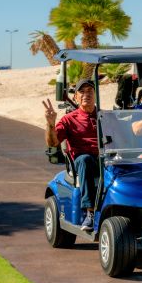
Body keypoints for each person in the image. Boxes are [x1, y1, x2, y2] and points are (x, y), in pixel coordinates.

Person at [42, 79, 98, 231]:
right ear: (76, 98)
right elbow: (53, 142)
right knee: (85, 160)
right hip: (84, 161)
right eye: (82, 92)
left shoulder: (104, 116)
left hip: (105, 159)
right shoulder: (69, 119)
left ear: (95, 95)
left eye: (90, 92)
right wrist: (50, 124)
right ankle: (90, 213)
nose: (86, 95)